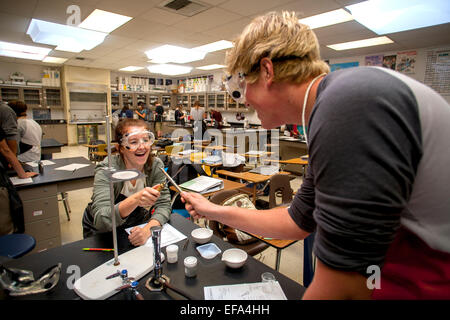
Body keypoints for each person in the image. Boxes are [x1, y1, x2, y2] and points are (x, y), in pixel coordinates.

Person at [181, 11, 450, 299]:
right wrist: (215, 211)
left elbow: (346, 285)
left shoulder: (348, 104)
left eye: (242, 84)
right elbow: (297, 221)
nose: (244, 98)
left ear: (267, 71)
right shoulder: (334, 102)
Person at [83, 119, 171, 246]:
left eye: (146, 140)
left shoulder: (155, 165)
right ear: (121, 148)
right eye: (133, 142)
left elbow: (163, 205)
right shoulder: (107, 169)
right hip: (103, 232)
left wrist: (147, 230)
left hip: (135, 226)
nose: (142, 147)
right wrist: (136, 199)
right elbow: (102, 220)